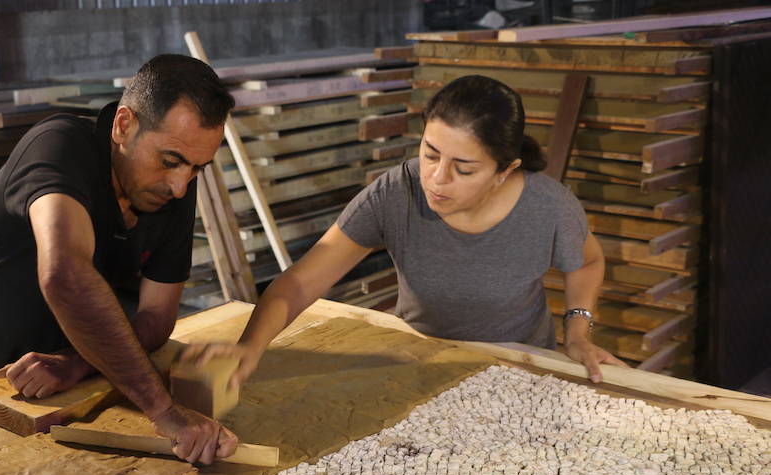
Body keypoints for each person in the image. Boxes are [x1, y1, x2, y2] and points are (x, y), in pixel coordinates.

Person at [0, 53, 239, 467]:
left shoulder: (171, 190)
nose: (180, 185)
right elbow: (66, 275)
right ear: (124, 125)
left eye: (198, 169)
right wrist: (165, 412)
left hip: (51, 384)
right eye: (170, 161)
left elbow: (156, 318)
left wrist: (77, 362)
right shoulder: (61, 147)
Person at [185, 75, 626, 386]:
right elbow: (301, 281)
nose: (436, 178)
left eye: (464, 168)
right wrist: (250, 347)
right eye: (430, 154)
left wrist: (577, 334)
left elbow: (586, 261)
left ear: (504, 170)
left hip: (520, 367)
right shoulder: (397, 192)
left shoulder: (547, 207)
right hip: (421, 360)